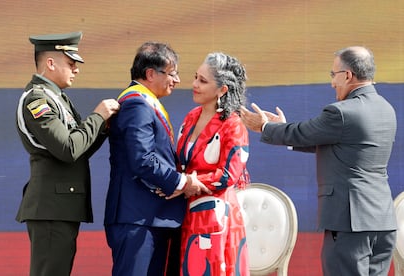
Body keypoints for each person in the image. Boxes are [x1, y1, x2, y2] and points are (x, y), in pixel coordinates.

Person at [240, 46, 397, 276]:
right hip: (382, 222)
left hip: (350, 223)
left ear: (348, 75)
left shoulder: (342, 113)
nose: (332, 82)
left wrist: (265, 127)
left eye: (333, 75)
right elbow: (328, 141)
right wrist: (281, 128)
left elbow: (304, 132)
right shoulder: (386, 109)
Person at [15, 31, 120, 276]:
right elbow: (68, 149)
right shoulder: (37, 100)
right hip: (51, 207)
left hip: (60, 206)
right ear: (50, 63)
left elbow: (79, 148)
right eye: (71, 63)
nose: (76, 70)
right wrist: (98, 116)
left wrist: (103, 127)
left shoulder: (58, 98)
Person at [104, 42, 211, 276]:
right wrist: (182, 183)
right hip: (138, 217)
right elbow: (142, 159)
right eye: (172, 73)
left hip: (150, 217)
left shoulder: (146, 103)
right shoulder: (136, 104)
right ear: (150, 73)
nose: (177, 80)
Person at [175, 52, 250, 275]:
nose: (194, 85)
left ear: (222, 90)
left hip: (217, 216)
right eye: (196, 77)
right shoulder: (191, 116)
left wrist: (188, 182)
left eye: (203, 81)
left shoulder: (233, 125)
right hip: (186, 214)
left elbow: (228, 176)